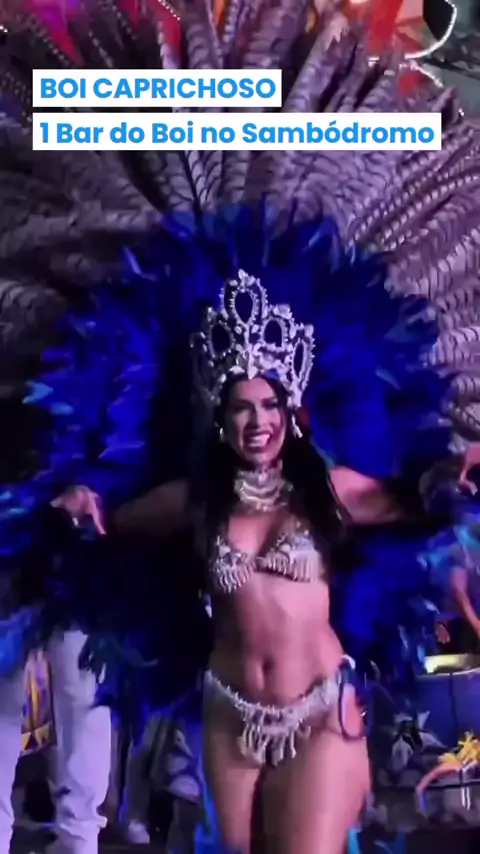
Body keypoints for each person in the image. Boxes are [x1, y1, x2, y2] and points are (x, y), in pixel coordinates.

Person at [0, 0, 479, 852]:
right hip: (227, 714)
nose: (256, 421)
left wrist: (456, 477)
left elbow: (422, 499)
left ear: (293, 413)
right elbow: (107, 518)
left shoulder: (330, 487)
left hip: (319, 707)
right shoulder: (194, 498)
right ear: (221, 418)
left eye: (268, 407)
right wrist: (74, 498)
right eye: (241, 407)